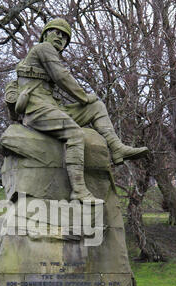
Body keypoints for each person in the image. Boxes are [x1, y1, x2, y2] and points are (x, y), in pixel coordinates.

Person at [14, 18, 148, 201]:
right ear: (45, 34)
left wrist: (86, 101)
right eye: (57, 32)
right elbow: (62, 77)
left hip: (52, 108)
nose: (60, 38)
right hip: (37, 111)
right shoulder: (43, 48)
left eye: (65, 37)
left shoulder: (43, 54)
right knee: (75, 134)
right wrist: (83, 97)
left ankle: (117, 148)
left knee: (96, 106)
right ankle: (79, 190)